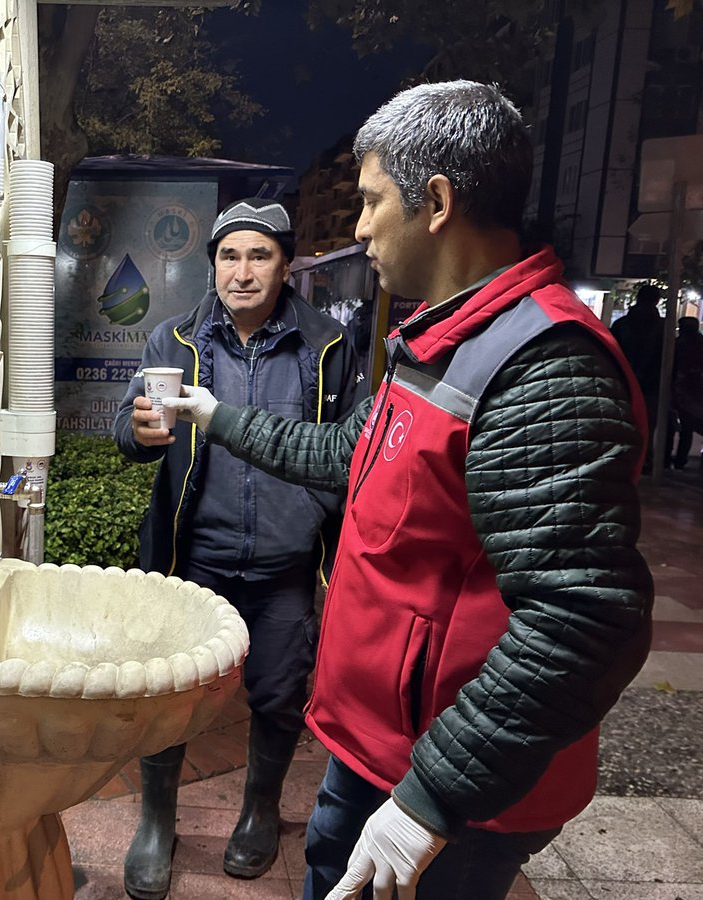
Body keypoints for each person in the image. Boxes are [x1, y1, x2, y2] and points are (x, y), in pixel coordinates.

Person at [163, 81, 654, 900]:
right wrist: (216, 419)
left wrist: (431, 798)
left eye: (369, 201)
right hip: (382, 749)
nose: (357, 228)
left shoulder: (544, 366)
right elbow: (344, 451)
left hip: (447, 786)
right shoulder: (443, 338)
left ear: (434, 201)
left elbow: (584, 618)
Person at [113, 198, 361, 899]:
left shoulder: (327, 347)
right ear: (212, 264)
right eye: (229, 255)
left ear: (286, 266)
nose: (242, 271)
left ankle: (259, 811)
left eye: (259, 255)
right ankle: (157, 820)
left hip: (286, 564)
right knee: (172, 697)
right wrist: (135, 431)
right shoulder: (175, 339)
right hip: (193, 562)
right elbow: (129, 436)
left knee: (279, 696)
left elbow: (347, 454)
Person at [611, 283, 664, 453]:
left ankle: (622, 457)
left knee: (622, 423)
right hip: (652, 383)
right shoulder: (663, 327)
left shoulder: (621, 324)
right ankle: (644, 458)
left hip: (622, 381)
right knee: (647, 424)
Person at [669, 315, 703, 469]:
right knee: (687, 428)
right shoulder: (698, 344)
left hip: (681, 390)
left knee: (674, 426)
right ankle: (680, 460)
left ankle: (670, 459)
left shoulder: (678, 345)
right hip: (693, 392)